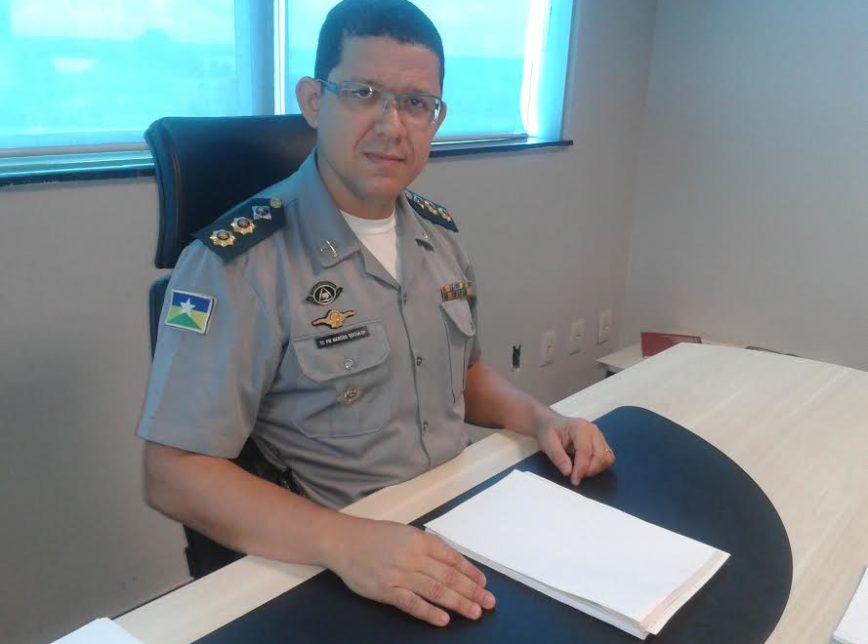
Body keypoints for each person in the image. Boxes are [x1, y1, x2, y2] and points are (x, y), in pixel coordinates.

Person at [138, 0, 614, 628]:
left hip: (459, 523)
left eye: (416, 103)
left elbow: (465, 376)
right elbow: (173, 474)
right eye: (364, 93)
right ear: (314, 101)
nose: (392, 126)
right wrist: (346, 542)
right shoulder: (237, 265)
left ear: (437, 117)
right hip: (333, 562)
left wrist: (542, 417)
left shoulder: (439, 237)